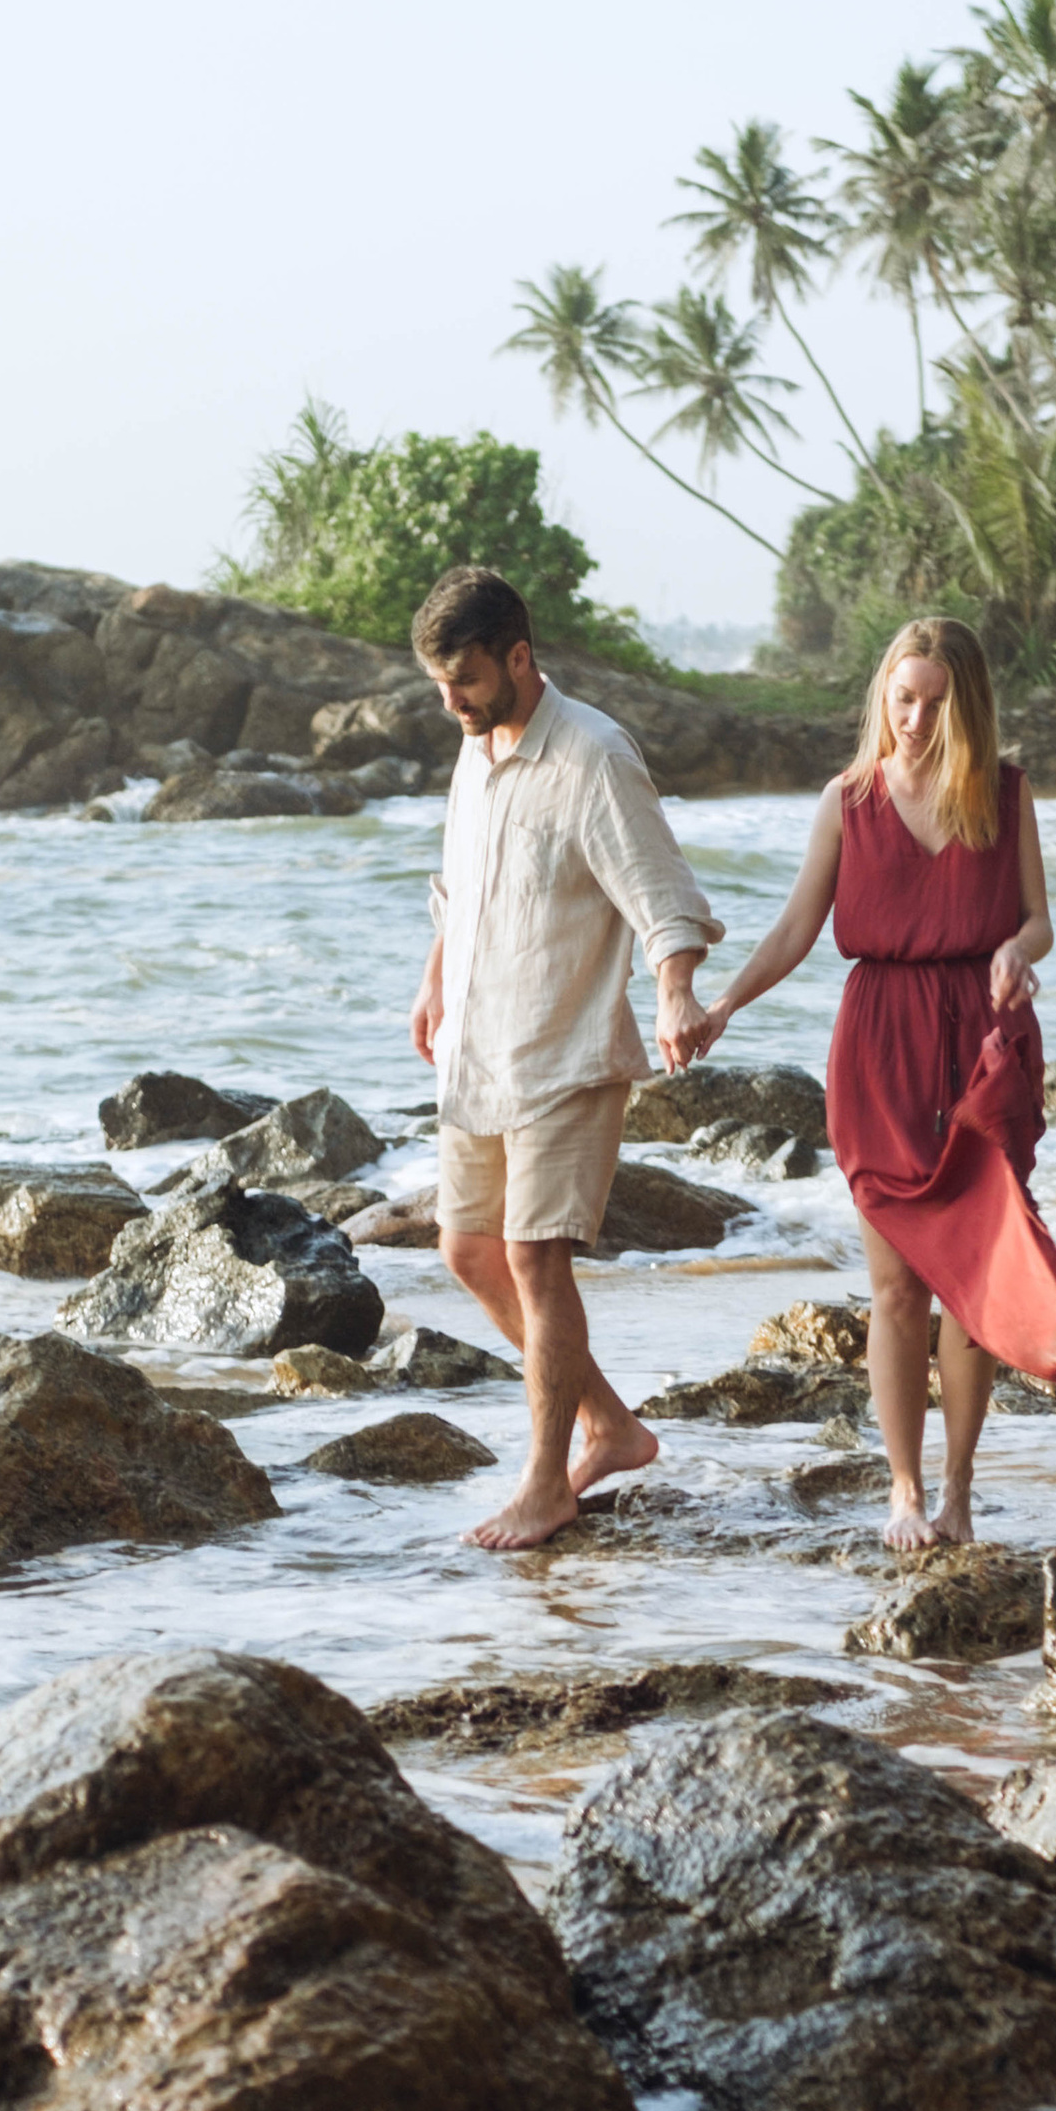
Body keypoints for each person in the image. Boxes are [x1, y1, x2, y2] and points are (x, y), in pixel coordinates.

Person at [689, 614, 1056, 1549]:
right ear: (883, 697)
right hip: (879, 1048)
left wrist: (1017, 955)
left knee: (975, 1282)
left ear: (968, 706)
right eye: (903, 699)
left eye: (936, 703)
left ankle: (958, 1492)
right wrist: (724, 1003)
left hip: (983, 1045)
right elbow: (795, 928)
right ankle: (903, 1490)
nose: (916, 719)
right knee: (897, 1288)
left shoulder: (1005, 794)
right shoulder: (848, 799)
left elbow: (1038, 921)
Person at [406, 564, 723, 1550]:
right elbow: (460, 889)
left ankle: (545, 1483)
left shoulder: (593, 757)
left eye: (465, 680)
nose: (452, 703)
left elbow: (662, 894)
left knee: (535, 1260)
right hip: (478, 1045)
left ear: (519, 658)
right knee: (468, 1251)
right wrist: (433, 980)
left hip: (565, 1047)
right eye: (439, 685)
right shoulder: (473, 752)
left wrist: (675, 991)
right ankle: (613, 1430)